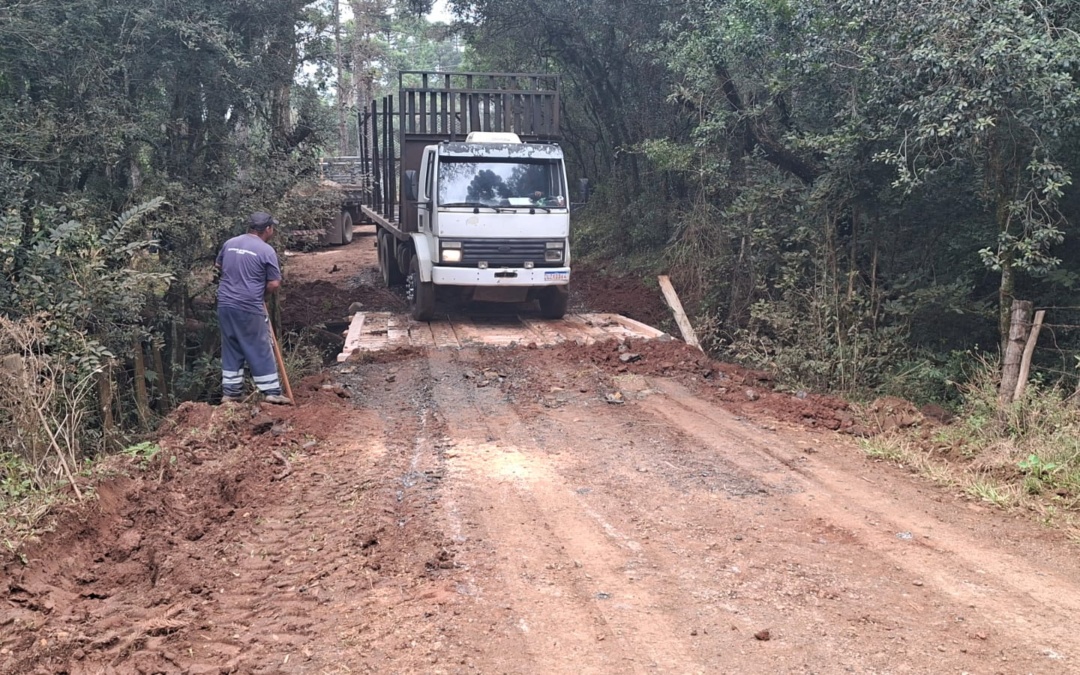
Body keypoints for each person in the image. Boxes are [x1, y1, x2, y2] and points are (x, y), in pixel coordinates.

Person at [215, 211, 291, 405]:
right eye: (272, 227)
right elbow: (274, 283)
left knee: (232, 346)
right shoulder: (266, 250)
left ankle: (231, 393)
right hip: (248, 305)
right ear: (267, 229)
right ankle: (272, 392)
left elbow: (219, 265)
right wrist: (260, 294)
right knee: (259, 345)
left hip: (225, 304)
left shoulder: (230, 243)